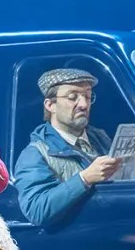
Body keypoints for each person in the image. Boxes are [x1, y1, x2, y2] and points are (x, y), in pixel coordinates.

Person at [12, 67, 121, 228]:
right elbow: (37, 210)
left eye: (88, 97)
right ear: (50, 105)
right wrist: (84, 179)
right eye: (72, 97)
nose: (83, 104)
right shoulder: (35, 153)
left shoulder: (102, 139)